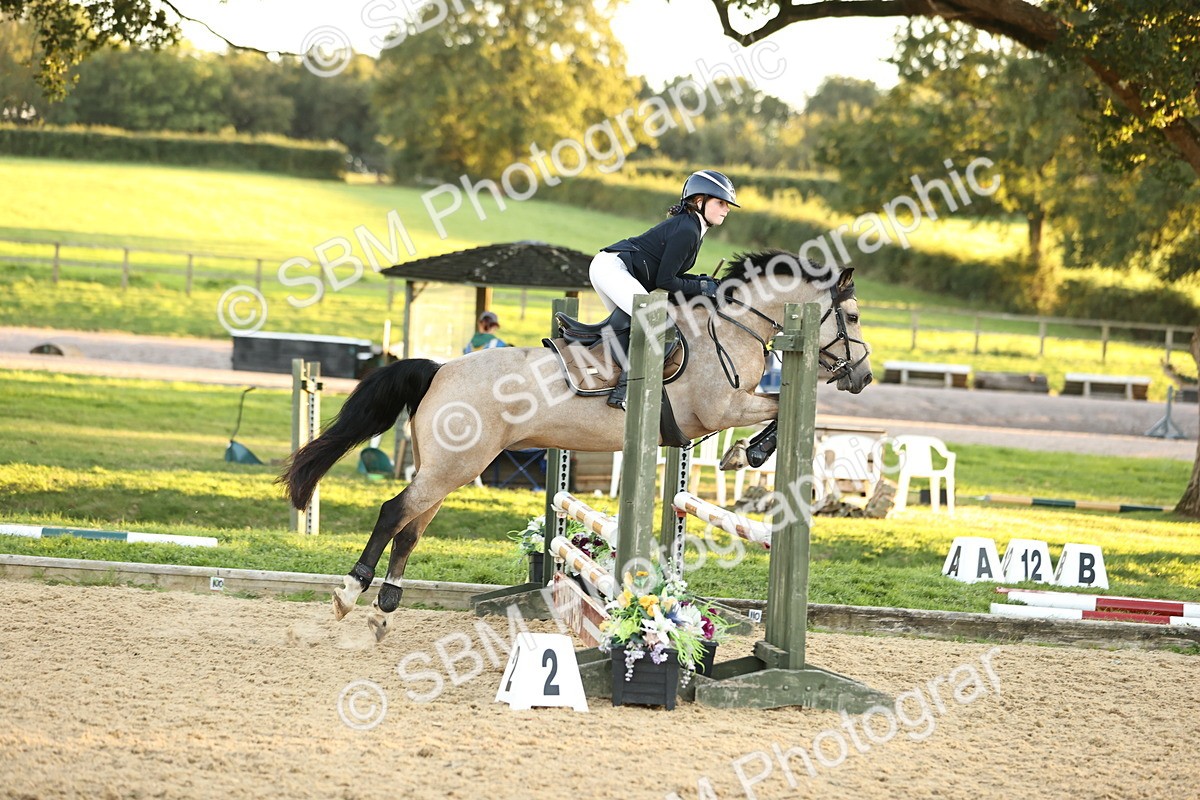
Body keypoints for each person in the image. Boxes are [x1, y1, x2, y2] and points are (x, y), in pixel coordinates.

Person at [589, 169, 738, 410]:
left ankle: (600, 379)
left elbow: (671, 277)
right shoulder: (688, 230)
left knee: (630, 329)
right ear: (699, 201)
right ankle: (624, 393)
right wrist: (702, 287)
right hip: (612, 269)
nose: (727, 208)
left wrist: (701, 283)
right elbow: (666, 282)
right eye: (721, 202)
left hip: (609, 267)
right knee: (657, 325)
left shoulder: (692, 226)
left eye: (727, 204)